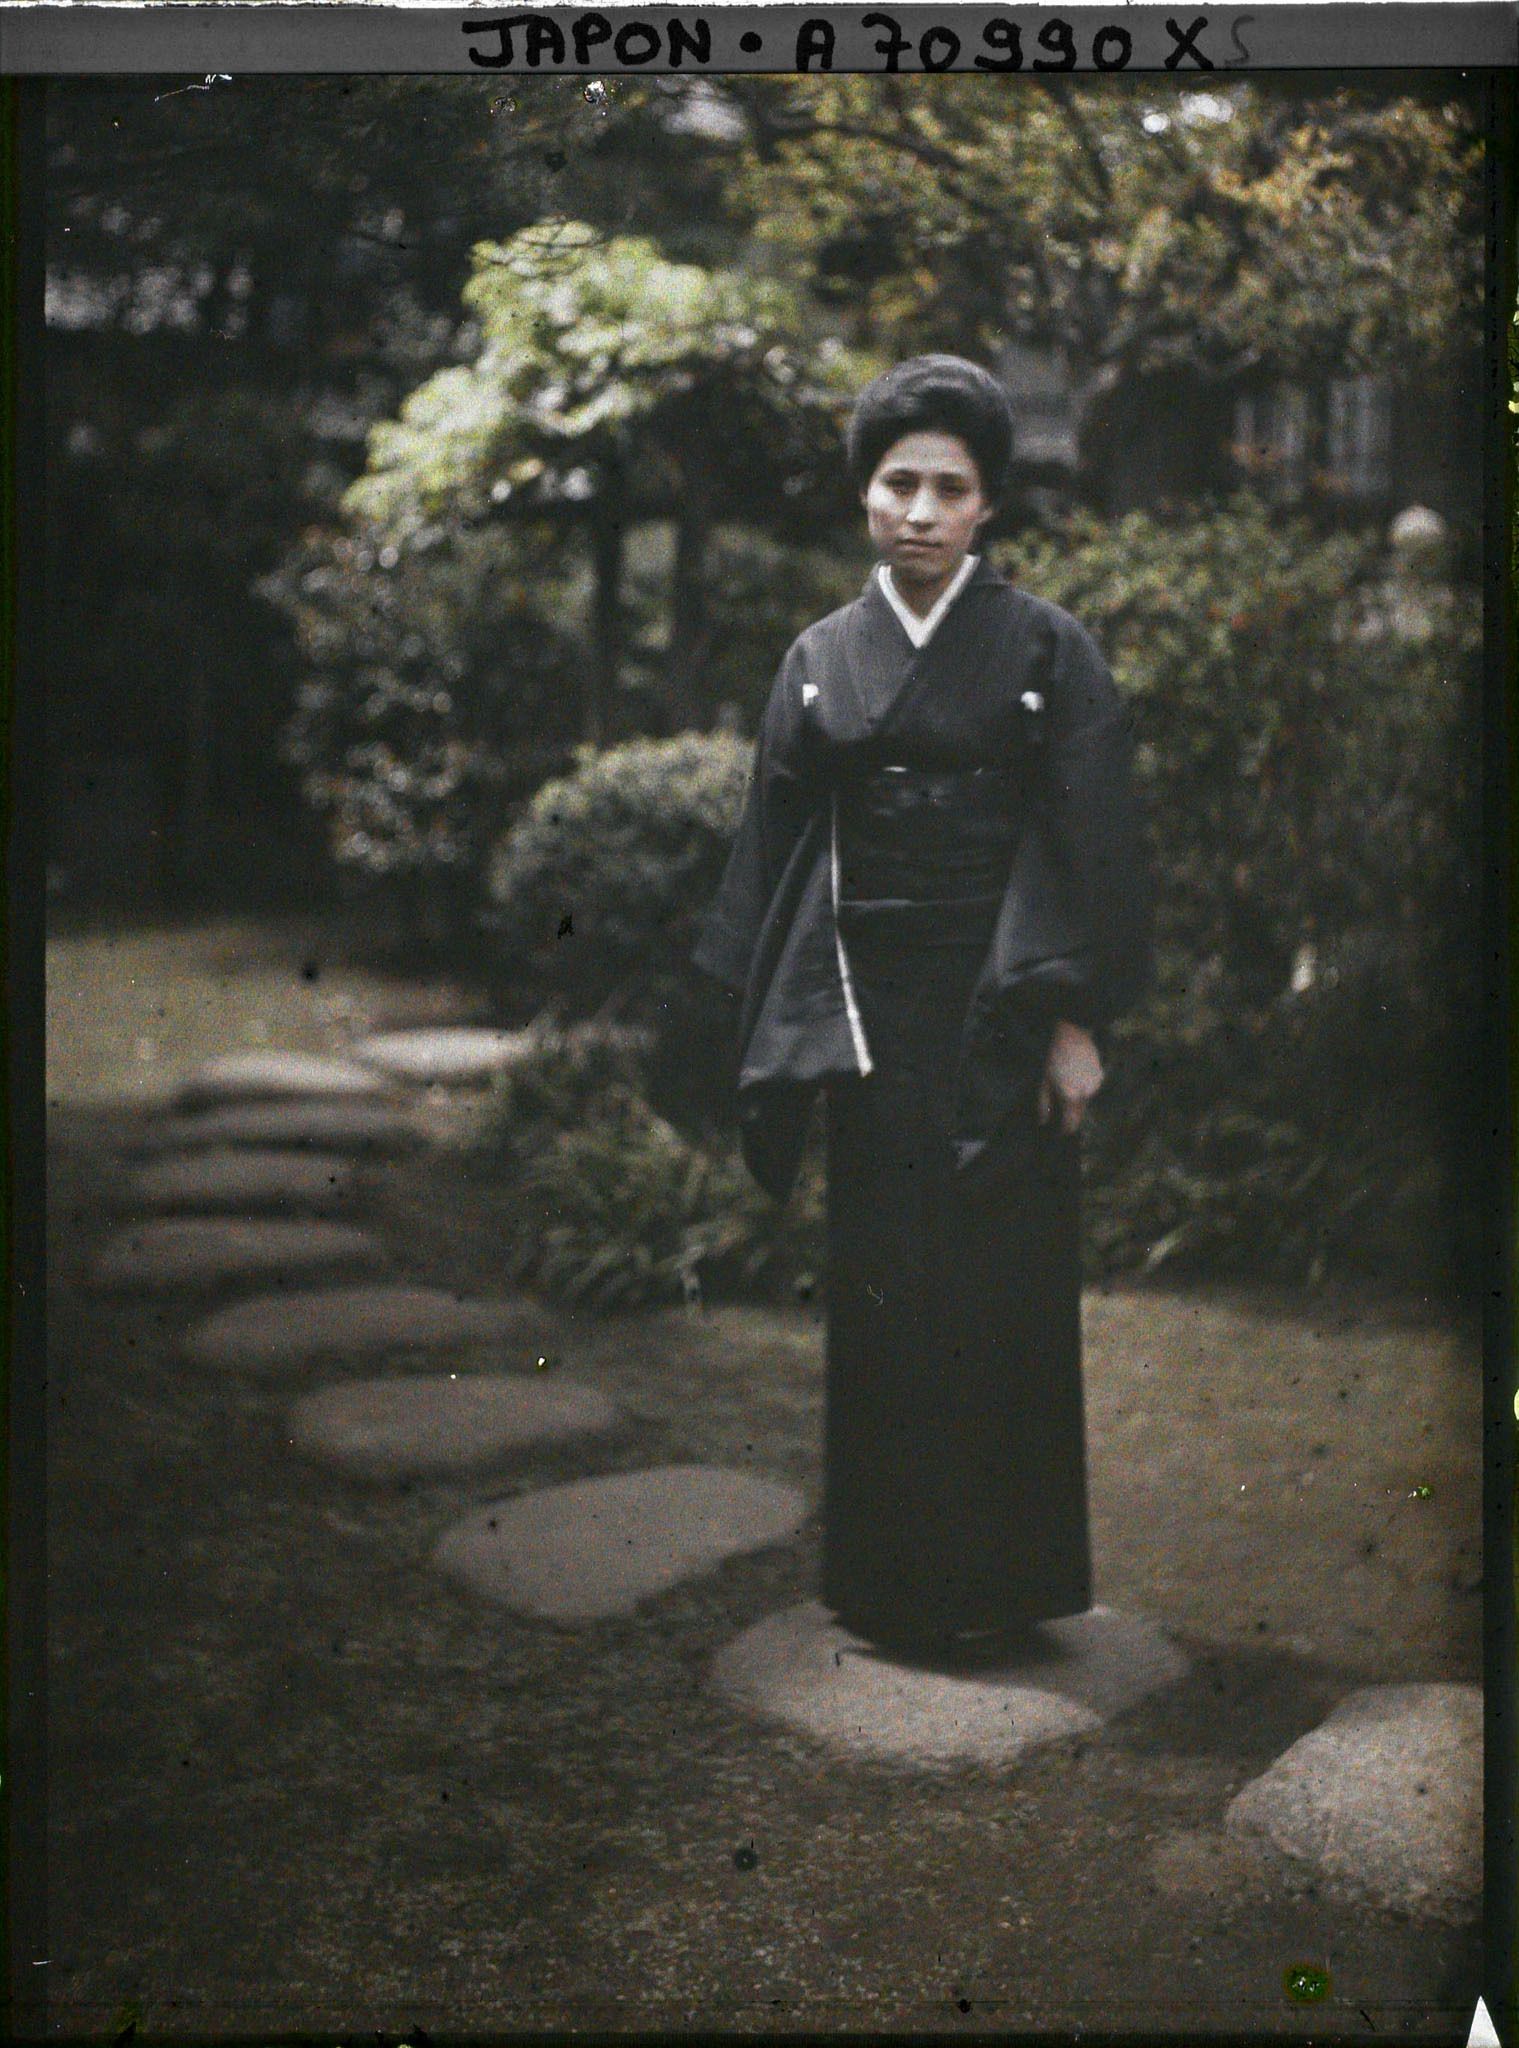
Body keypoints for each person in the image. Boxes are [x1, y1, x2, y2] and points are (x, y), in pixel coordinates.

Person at [694, 355, 1152, 1665]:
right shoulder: (822, 659)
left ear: (987, 507)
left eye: (950, 486)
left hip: (1005, 1000)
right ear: (865, 497)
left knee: (1002, 1290)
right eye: (899, 481)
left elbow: (1092, 842)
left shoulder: (1045, 650)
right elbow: (773, 850)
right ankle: (892, 1592)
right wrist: (770, 1031)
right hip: (867, 1011)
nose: (921, 508)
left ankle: (1007, 1588)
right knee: (888, 1289)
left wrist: (1076, 1025)